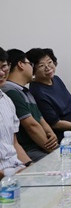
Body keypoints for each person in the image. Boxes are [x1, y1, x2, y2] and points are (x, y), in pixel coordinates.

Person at [1, 49, 59, 161]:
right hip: (30, 151)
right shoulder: (10, 91)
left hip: (40, 147)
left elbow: (40, 119)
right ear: (21, 65)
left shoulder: (25, 91)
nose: (32, 68)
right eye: (30, 64)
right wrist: (55, 152)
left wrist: (51, 135)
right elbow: (31, 126)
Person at [27, 48, 71, 139]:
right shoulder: (37, 91)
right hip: (67, 136)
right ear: (33, 69)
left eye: (50, 62)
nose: (48, 68)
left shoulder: (56, 79)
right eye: (41, 65)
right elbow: (56, 124)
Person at [0, 47, 33, 176]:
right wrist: (9, 176)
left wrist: (30, 166)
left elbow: (14, 143)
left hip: (16, 169)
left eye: (4, 66)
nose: (2, 73)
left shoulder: (6, 100)